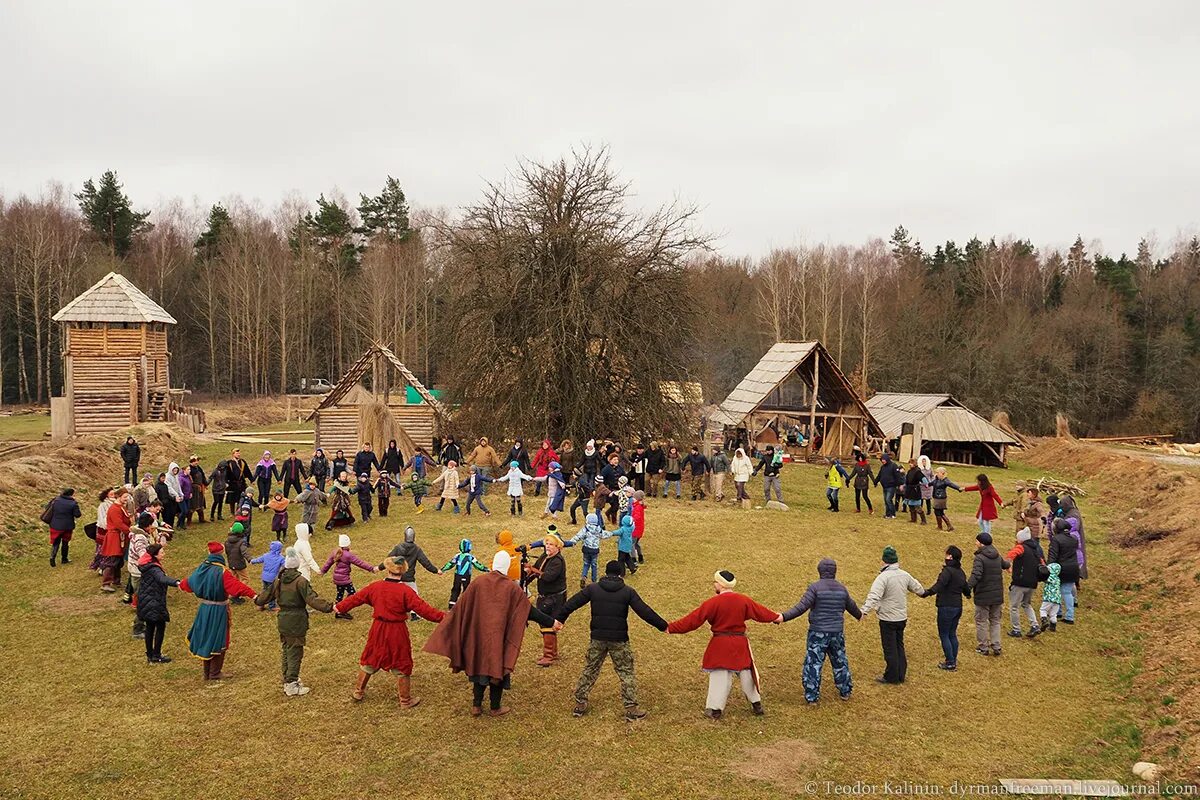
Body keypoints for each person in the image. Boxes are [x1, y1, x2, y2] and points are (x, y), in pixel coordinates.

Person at [424, 550, 556, 717]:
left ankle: (476, 706)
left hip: (478, 637)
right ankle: (495, 707)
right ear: (507, 567)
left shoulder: (479, 582)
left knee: (478, 667)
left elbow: (460, 607)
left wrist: (449, 622)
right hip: (499, 639)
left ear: (494, 564)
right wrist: (552, 622)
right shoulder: (511, 588)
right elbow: (529, 611)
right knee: (497, 670)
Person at [557, 559, 668, 719]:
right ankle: (631, 708)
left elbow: (572, 603)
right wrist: (663, 625)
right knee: (625, 672)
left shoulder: (593, 589)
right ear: (620, 574)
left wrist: (560, 618)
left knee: (591, 669)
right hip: (619, 639)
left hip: (598, 637)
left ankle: (580, 704)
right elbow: (645, 611)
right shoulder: (627, 591)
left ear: (605, 572)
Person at [667, 570, 780, 720]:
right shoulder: (743, 600)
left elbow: (693, 620)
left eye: (715, 582)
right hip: (740, 643)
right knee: (747, 674)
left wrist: (671, 628)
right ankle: (756, 704)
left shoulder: (712, 603)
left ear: (720, 584)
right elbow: (760, 612)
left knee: (719, 676)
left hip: (720, 644)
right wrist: (776, 617)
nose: (714, 584)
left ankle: (715, 709)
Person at [337, 556, 446, 707]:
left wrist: (340, 607)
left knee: (371, 657)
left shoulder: (375, 587)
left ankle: (358, 691)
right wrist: (445, 618)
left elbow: (356, 598)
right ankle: (405, 701)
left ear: (388, 569)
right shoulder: (406, 592)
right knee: (401, 661)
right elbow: (425, 610)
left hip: (378, 629)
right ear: (403, 571)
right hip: (397, 631)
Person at [778, 558, 862, 703]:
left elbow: (801, 607)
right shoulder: (842, 589)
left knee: (814, 662)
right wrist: (859, 615)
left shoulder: (815, 588)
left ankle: (812, 696)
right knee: (840, 660)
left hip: (818, 632)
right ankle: (845, 691)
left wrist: (783, 617)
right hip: (837, 632)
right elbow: (852, 606)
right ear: (835, 571)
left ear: (820, 570)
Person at [256, 547, 334, 696]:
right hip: (296, 620)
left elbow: (263, 598)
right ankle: (292, 683)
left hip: (283, 619)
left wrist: (256, 599)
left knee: (286, 648)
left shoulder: (279, 580)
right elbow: (312, 599)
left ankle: (287, 678)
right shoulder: (301, 581)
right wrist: (330, 607)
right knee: (295, 651)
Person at [179, 541, 259, 680]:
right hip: (218, 611)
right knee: (218, 639)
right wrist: (254, 595)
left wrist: (179, 584)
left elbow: (187, 584)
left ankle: (207, 672)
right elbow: (236, 586)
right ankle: (214, 672)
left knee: (205, 637)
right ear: (221, 554)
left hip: (204, 610)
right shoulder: (222, 572)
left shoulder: (202, 568)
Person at [860, 546, 923, 685]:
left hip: (888, 618)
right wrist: (924, 593)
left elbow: (874, 596)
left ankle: (891, 676)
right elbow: (918, 588)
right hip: (901, 617)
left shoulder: (883, 577)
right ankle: (901, 673)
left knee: (889, 648)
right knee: (899, 645)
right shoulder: (904, 575)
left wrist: (864, 611)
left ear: (884, 561)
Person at [917, 545, 970, 671]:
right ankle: (953, 659)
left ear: (950, 556)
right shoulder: (960, 572)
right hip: (958, 606)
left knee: (944, 634)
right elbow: (966, 588)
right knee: (952, 633)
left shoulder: (947, 571)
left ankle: (950, 662)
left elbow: (939, 585)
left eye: (946, 554)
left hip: (946, 606)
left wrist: (927, 593)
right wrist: (968, 594)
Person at [525, 532, 569, 667]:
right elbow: (537, 569)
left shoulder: (557, 561)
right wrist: (527, 576)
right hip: (546, 597)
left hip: (554, 598)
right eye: (547, 544)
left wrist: (533, 570)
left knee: (547, 624)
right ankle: (553, 653)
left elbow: (548, 576)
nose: (548, 547)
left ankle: (548, 656)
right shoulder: (545, 556)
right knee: (548, 623)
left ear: (558, 547)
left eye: (551, 545)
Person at [378, 526, 442, 617]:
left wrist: (379, 568)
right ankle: (414, 614)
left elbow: (388, 560)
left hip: (397, 576)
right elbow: (425, 563)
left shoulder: (398, 547)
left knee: (394, 593)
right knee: (414, 596)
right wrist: (436, 570)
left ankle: (393, 609)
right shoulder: (416, 549)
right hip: (409, 578)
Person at [966, 531, 1010, 656]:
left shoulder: (979, 558)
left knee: (981, 621)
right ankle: (996, 646)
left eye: (976, 541)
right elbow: (1005, 564)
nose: (975, 543)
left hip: (983, 595)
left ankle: (983, 647)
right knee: (995, 621)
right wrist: (1009, 564)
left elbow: (976, 575)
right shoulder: (996, 555)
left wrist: (967, 587)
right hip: (997, 595)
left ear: (981, 543)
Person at [135, 543, 180, 663]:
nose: (164, 554)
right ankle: (156, 654)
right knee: (160, 626)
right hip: (154, 600)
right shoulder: (154, 568)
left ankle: (150, 654)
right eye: (162, 552)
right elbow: (162, 579)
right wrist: (177, 582)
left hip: (146, 599)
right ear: (155, 555)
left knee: (150, 627)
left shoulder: (147, 566)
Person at [322, 534, 377, 617]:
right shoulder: (348, 555)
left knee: (340, 594)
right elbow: (360, 563)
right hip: (344, 579)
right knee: (352, 594)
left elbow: (328, 563)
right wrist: (371, 568)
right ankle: (343, 609)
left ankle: (337, 611)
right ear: (348, 544)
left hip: (337, 578)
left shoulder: (335, 552)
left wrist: (323, 571)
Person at [1005, 528, 1042, 639]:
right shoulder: (1036, 549)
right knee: (1026, 604)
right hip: (1032, 583)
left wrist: (1008, 567)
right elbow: (1042, 563)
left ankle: (1016, 630)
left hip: (1020, 583)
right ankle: (1034, 625)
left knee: (1014, 607)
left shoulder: (1021, 547)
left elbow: (1010, 556)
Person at [1048, 517, 1081, 626]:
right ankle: (1069, 615)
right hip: (1073, 568)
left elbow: (1053, 555)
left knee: (1059, 591)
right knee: (1067, 591)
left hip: (1061, 568)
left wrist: (1049, 568)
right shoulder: (1074, 538)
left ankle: (1060, 613)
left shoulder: (1056, 539)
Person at [125, 513, 154, 632]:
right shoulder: (140, 538)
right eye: (151, 525)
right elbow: (143, 556)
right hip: (138, 571)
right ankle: (138, 627)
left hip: (135, 569)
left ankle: (143, 622)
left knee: (142, 597)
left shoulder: (136, 533)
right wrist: (156, 550)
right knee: (142, 598)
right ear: (147, 526)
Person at [99, 488, 131, 592]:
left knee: (119, 559)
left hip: (120, 536)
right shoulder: (114, 509)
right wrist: (130, 530)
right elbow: (119, 524)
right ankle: (106, 583)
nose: (127, 499)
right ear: (119, 496)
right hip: (114, 537)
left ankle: (116, 580)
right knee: (112, 560)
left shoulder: (121, 507)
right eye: (125, 497)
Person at [443, 539, 489, 609]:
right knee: (466, 590)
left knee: (455, 590)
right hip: (467, 576)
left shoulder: (457, 556)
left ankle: (451, 606)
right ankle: (465, 606)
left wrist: (442, 569)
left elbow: (450, 564)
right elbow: (478, 565)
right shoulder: (471, 557)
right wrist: (486, 569)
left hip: (457, 576)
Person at [46, 487, 81, 567]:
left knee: (56, 542)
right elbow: (78, 515)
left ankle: (52, 556)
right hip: (67, 526)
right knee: (65, 542)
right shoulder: (73, 503)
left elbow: (47, 507)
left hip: (55, 525)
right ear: (71, 494)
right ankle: (64, 559)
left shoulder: (55, 500)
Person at [251, 540, 286, 611]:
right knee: (272, 592)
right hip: (272, 579)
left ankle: (261, 604)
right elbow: (286, 565)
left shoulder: (266, 555)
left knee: (264, 591)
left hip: (264, 577)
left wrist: (252, 561)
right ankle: (272, 606)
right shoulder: (281, 558)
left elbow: (258, 560)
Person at [223, 449, 254, 516]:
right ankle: (232, 512)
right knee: (232, 498)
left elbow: (247, 471)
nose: (238, 454)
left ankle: (238, 510)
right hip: (232, 483)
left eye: (239, 453)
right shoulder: (229, 463)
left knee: (240, 498)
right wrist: (225, 482)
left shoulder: (242, 462)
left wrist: (251, 479)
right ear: (233, 454)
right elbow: (226, 473)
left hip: (241, 483)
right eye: (237, 453)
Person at [874, 453, 904, 519]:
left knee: (888, 499)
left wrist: (900, 484)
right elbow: (879, 475)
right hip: (884, 486)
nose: (883, 461)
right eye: (882, 460)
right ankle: (888, 514)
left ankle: (893, 514)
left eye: (884, 459)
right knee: (886, 500)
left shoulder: (894, 466)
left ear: (887, 459)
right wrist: (875, 482)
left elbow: (898, 476)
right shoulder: (882, 467)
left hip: (891, 486)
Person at [224, 521, 251, 593]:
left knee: (234, 579)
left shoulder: (227, 541)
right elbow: (244, 552)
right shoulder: (241, 542)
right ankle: (237, 592)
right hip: (239, 564)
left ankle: (232, 591)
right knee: (245, 579)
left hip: (231, 563)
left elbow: (227, 552)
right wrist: (249, 559)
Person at [903, 458, 928, 524]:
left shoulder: (917, 471)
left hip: (915, 490)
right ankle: (913, 519)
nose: (910, 464)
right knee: (910, 505)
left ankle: (923, 520)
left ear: (915, 464)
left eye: (911, 463)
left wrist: (926, 484)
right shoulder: (909, 471)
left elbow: (923, 478)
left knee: (917, 506)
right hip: (909, 489)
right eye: (909, 463)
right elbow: (907, 480)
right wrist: (904, 485)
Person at [1040, 560, 1063, 633]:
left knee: (1043, 610)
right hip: (1057, 599)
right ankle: (1053, 626)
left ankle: (1044, 621)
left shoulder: (1050, 577)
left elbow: (1044, 579)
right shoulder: (1058, 579)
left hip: (1049, 598)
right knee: (1053, 613)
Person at [186, 456, 208, 524]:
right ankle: (189, 521)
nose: (196, 462)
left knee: (200, 504)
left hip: (200, 489)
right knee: (192, 505)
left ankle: (201, 519)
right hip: (193, 490)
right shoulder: (189, 469)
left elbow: (203, 476)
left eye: (197, 460)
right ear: (191, 461)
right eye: (194, 461)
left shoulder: (198, 468)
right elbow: (188, 480)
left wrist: (205, 484)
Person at [630, 490, 647, 564]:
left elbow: (636, 517)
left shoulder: (637, 507)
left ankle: (633, 559)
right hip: (640, 528)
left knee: (632, 544)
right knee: (636, 543)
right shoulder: (639, 506)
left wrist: (630, 520)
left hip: (636, 529)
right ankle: (640, 557)